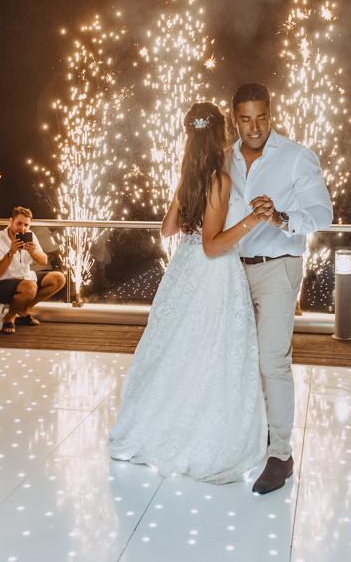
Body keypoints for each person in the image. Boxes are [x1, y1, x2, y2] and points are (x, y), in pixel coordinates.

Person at [109, 102, 269, 483]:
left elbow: (168, 229)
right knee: (212, 354)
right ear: (220, 136)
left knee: (176, 351)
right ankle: (199, 438)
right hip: (213, 277)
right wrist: (251, 219)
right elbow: (214, 246)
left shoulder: (189, 178)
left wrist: (185, 197)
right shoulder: (219, 179)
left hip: (183, 271)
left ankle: (153, 429)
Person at [227, 83, 333, 494]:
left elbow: (322, 214)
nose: (254, 127)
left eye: (261, 117)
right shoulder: (225, 158)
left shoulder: (296, 156)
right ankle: (252, 438)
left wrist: (281, 217)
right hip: (231, 271)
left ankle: (281, 455)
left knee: (273, 361)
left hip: (278, 269)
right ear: (235, 118)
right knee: (241, 361)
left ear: (271, 114)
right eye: (245, 118)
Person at [0, 207, 65, 334]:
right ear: (10, 221)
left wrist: (33, 252)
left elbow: (44, 260)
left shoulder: (30, 236)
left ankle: (24, 309)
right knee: (30, 287)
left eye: (26, 225)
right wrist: (11, 252)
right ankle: (10, 317)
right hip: (1, 284)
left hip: (26, 277)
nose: (22, 228)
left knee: (58, 278)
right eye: (19, 223)